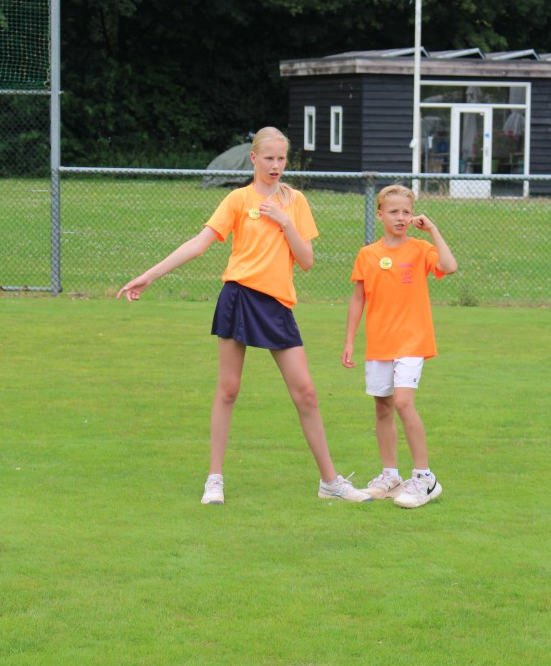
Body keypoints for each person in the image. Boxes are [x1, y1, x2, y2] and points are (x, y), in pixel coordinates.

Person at [118, 126, 371, 506]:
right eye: (268, 158)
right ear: (253, 158)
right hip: (237, 297)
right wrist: (149, 276)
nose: (275, 165)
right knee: (228, 389)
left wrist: (285, 221)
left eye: (281, 158)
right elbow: (199, 244)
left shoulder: (296, 201)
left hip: (276, 305)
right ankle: (214, 480)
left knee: (306, 392)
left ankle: (330, 482)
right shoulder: (237, 200)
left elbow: (306, 261)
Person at [341, 184, 458, 509]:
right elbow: (358, 299)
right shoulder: (368, 254)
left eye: (406, 211)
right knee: (383, 407)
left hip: (412, 341)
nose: (401, 217)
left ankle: (424, 478)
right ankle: (390, 476)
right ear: (380, 214)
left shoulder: (421, 249)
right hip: (380, 344)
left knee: (404, 402)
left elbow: (449, 266)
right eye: (394, 211)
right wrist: (349, 340)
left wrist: (432, 230)